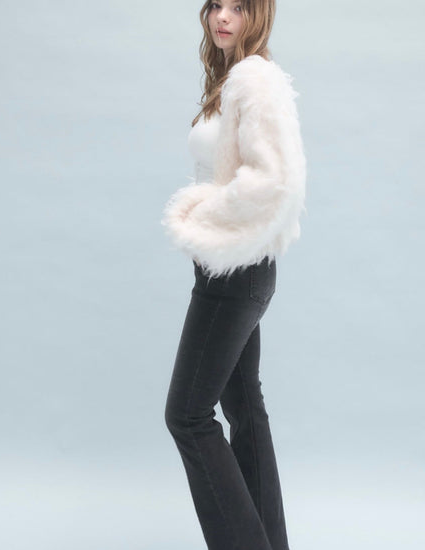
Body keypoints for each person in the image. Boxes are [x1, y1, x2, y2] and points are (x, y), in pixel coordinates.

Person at [161, 1, 306, 548]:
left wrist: (200, 213)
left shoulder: (255, 80)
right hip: (235, 268)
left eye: (238, 7)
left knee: (187, 416)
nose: (222, 16)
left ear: (258, 14)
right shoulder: (232, 76)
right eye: (216, 4)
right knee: (244, 408)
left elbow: (275, 182)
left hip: (233, 270)